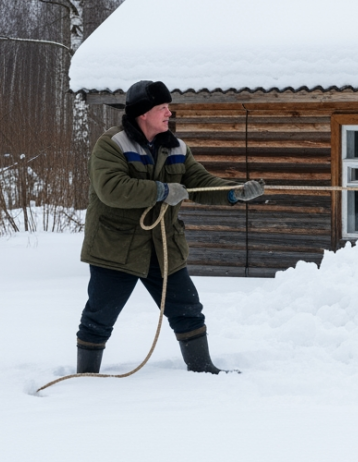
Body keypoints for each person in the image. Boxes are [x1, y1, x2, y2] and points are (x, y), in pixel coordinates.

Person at [75, 80, 264, 375]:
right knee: (99, 316)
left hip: (163, 246)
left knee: (188, 308)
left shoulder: (176, 147)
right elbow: (111, 188)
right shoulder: (111, 145)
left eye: (168, 107)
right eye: (162, 108)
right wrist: (161, 191)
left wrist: (234, 191)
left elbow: (201, 184)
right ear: (143, 114)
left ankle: (203, 370)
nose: (169, 113)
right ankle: (86, 376)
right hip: (115, 248)